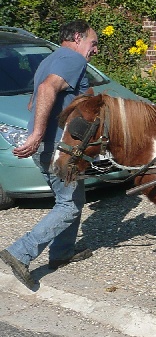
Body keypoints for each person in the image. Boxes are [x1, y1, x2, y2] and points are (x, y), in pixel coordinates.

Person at [0, 20, 99, 290]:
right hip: (58, 148)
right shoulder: (72, 59)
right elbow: (45, 90)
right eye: (93, 43)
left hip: (51, 146)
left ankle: (62, 252)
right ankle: (21, 252)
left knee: (73, 198)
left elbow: (33, 102)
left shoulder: (50, 59)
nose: (95, 50)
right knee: (68, 205)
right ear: (77, 38)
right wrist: (36, 135)